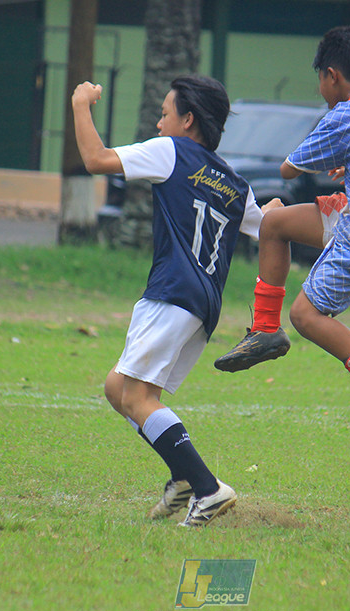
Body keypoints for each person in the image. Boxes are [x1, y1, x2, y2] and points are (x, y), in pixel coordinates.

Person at [71, 75, 266, 527]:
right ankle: (182, 478)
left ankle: (207, 488)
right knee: (119, 388)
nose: (159, 124)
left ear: (188, 119)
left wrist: (81, 104)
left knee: (137, 395)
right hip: (204, 305)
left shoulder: (171, 151)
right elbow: (269, 225)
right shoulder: (236, 183)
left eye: (164, 114)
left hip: (172, 291)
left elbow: (96, 159)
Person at [214, 25, 350, 442]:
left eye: (319, 80)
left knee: (305, 315)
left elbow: (289, 169)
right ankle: (264, 331)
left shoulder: (346, 114)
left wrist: (342, 151)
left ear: (332, 75)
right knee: (274, 223)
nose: (320, 90)